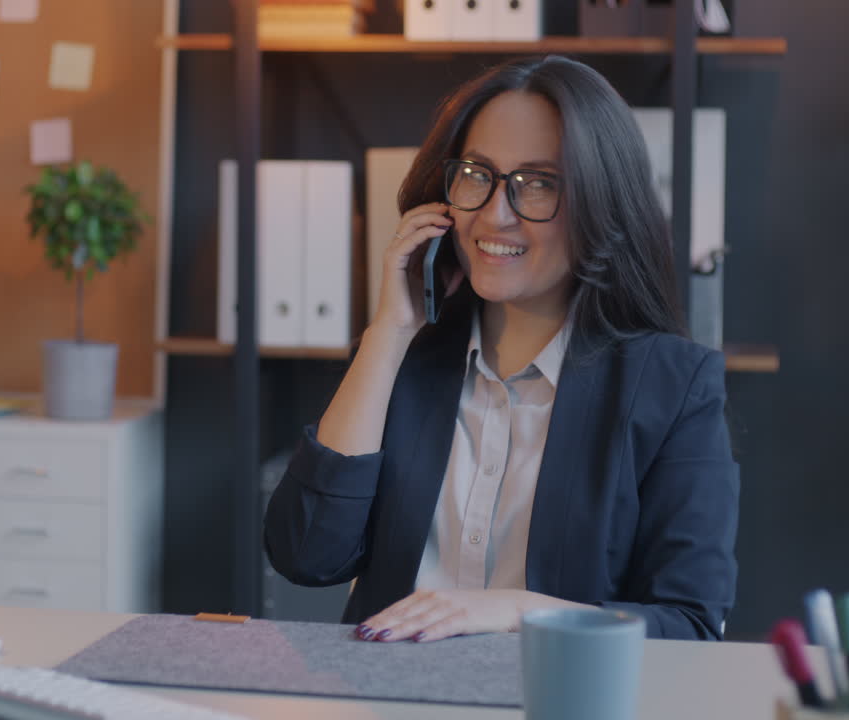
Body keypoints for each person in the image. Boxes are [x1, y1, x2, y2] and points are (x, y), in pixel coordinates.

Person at [263, 55, 739, 642]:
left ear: (601, 204)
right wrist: (388, 333)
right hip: (390, 688)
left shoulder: (674, 387)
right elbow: (306, 554)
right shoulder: (400, 360)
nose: (494, 214)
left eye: (538, 184)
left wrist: (519, 612)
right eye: (476, 174)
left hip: (556, 690)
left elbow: (691, 626)